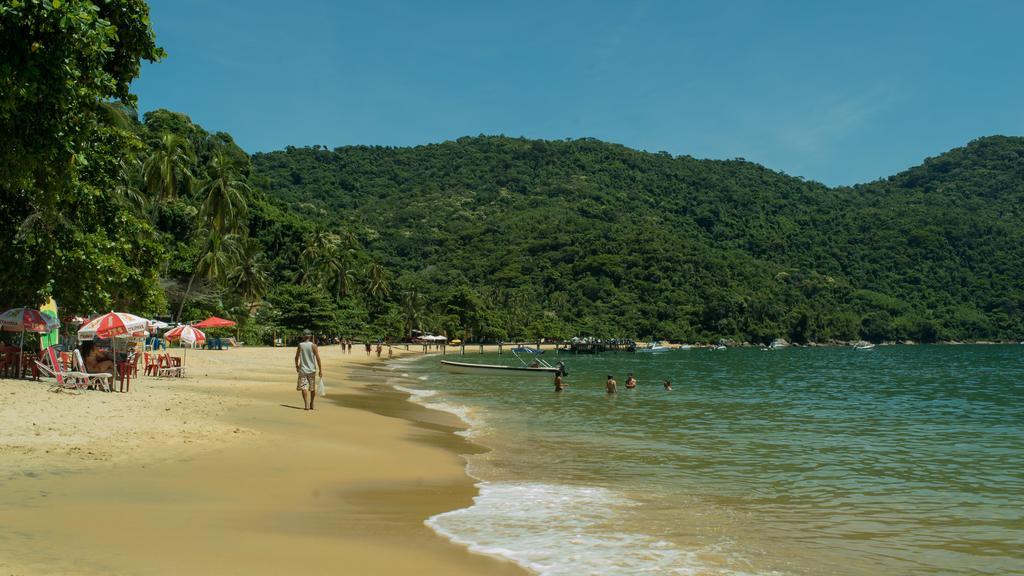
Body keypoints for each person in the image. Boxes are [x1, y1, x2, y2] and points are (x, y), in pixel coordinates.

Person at [294, 329, 323, 411]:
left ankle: (306, 404)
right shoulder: (314, 346)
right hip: (312, 370)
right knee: (312, 387)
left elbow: (296, 357)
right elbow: (318, 358)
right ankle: (312, 403)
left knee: (304, 387)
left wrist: (296, 366)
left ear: (303, 336)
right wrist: (321, 370)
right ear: (310, 336)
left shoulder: (300, 345)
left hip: (302, 370)